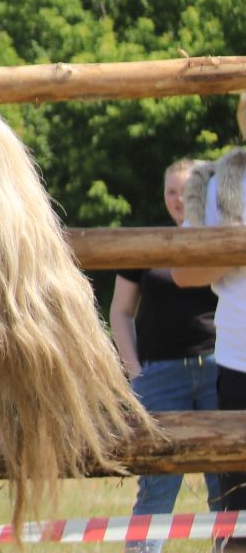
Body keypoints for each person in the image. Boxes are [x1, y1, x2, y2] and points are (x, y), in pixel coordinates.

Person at [110, 158, 220, 553]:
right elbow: (120, 311)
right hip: (159, 377)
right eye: (170, 191)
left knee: (225, 481)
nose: (178, 199)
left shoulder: (220, 240)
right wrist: (134, 369)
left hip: (215, 373)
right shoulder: (147, 241)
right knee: (158, 482)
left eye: (186, 191)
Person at [173, 140, 246, 539]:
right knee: (239, 513)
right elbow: (185, 273)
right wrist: (236, 248)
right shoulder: (217, 182)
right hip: (239, 362)